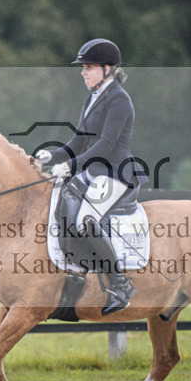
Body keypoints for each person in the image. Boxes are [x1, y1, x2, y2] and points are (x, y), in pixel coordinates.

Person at [35, 38, 147, 315]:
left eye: (89, 67)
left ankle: (120, 285)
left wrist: (71, 166)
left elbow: (105, 145)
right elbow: (78, 142)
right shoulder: (93, 97)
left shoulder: (119, 99)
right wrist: (53, 156)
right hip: (94, 172)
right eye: (83, 67)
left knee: (86, 219)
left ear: (107, 69)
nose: (83, 72)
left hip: (116, 173)